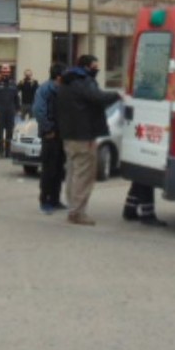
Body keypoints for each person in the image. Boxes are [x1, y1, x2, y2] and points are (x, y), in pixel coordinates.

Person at [55, 55, 121, 226]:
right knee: (84, 176)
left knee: (72, 173)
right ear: (85, 66)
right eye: (94, 66)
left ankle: (72, 207)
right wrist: (117, 95)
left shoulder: (65, 83)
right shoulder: (84, 81)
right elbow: (98, 98)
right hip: (84, 136)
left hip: (69, 135)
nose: (96, 69)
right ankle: (77, 212)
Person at [33, 62, 66, 214]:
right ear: (59, 76)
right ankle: (44, 200)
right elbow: (39, 111)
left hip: (61, 135)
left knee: (59, 169)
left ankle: (55, 199)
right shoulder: (45, 89)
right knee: (49, 169)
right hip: (50, 135)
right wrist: (48, 129)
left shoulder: (63, 90)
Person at [0, 63, 19, 158]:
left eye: (7, 70)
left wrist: (18, 109)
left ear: (10, 71)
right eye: (4, 70)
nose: (5, 72)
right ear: (1, 71)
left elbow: (16, 98)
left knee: (10, 132)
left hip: (10, 110)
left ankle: (8, 152)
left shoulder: (13, 84)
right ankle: (0, 152)